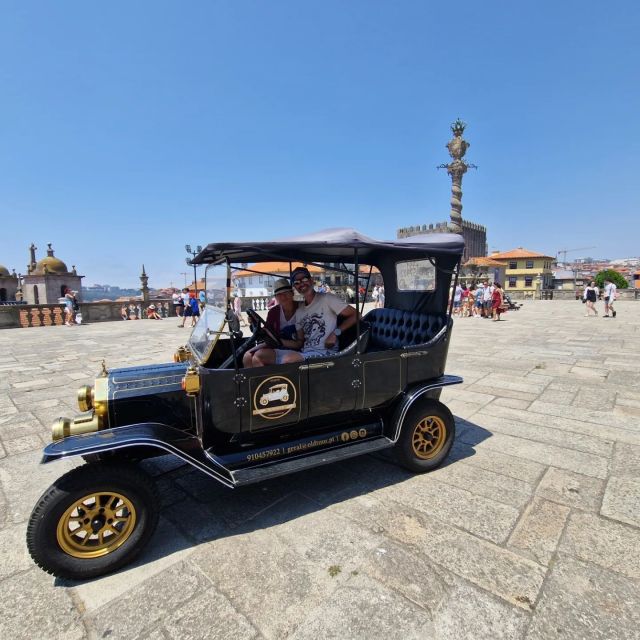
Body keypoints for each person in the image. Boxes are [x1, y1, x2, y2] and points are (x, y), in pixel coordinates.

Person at [253, 266, 359, 366]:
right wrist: (279, 341)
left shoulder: (327, 299)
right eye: (297, 282)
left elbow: (356, 315)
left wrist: (335, 333)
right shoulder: (300, 311)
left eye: (304, 279)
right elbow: (299, 343)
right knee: (259, 356)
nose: (301, 284)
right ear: (295, 287)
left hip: (325, 353)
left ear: (311, 280)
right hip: (305, 352)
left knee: (288, 360)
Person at [243, 278, 300, 367]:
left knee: (258, 357)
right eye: (279, 295)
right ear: (276, 297)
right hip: (277, 344)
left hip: (295, 345)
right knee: (247, 356)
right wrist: (253, 324)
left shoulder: (303, 308)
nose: (283, 297)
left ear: (292, 293)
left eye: (286, 293)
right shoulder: (274, 312)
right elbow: (267, 331)